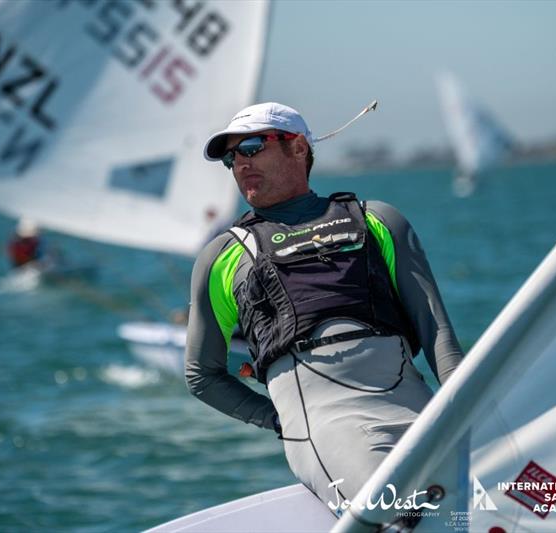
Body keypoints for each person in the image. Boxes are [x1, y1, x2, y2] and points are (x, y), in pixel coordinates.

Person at [185, 102, 464, 513]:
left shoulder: (378, 220)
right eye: (231, 157)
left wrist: (471, 407)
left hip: (420, 411)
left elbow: (437, 332)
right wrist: (281, 421)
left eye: (252, 146)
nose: (240, 164)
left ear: (298, 148)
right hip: (329, 428)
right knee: (402, 516)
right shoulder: (222, 256)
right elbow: (201, 375)